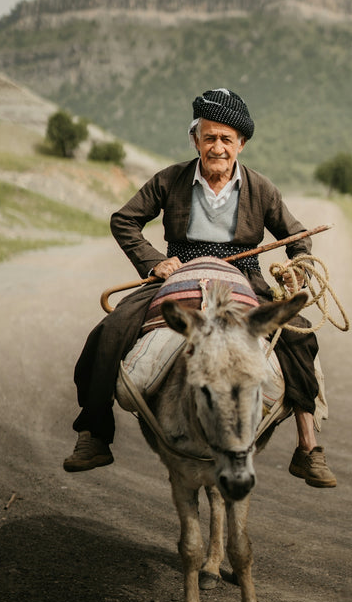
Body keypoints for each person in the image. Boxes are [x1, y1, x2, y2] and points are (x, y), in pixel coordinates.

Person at [64, 88, 337, 488]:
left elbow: (298, 236)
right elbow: (124, 220)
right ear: (195, 140)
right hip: (179, 274)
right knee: (109, 331)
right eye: (209, 138)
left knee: (298, 339)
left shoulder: (261, 188)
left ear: (241, 144)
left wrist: (297, 270)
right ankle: (94, 435)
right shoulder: (169, 179)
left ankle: (308, 448)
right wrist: (155, 262)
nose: (218, 147)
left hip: (243, 274)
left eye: (227, 139)